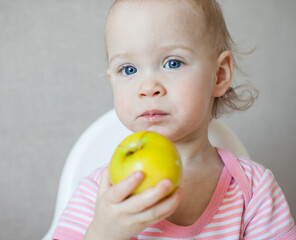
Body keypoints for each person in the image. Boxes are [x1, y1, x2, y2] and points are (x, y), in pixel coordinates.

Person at [53, 0, 296, 239]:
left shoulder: (254, 190)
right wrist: (103, 233)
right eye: (128, 69)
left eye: (173, 63)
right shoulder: (100, 195)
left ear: (219, 75)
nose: (148, 87)